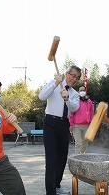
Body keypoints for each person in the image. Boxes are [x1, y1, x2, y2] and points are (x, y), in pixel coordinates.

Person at [39, 65, 81, 195]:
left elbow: (74, 108)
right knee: (51, 159)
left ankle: (56, 186)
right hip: (51, 122)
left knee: (62, 158)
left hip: (64, 125)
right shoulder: (55, 84)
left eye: (77, 78)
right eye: (72, 75)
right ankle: (50, 192)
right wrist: (56, 82)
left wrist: (67, 98)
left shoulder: (75, 94)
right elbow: (41, 96)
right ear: (67, 74)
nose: (74, 79)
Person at [69, 86, 94, 154]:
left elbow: (91, 113)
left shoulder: (89, 102)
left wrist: (91, 124)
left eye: (83, 90)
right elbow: (71, 113)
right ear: (78, 92)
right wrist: (71, 124)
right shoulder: (76, 101)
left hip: (86, 125)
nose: (82, 92)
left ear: (85, 92)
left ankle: (82, 156)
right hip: (76, 125)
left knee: (85, 143)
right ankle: (77, 158)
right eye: (80, 90)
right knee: (78, 143)